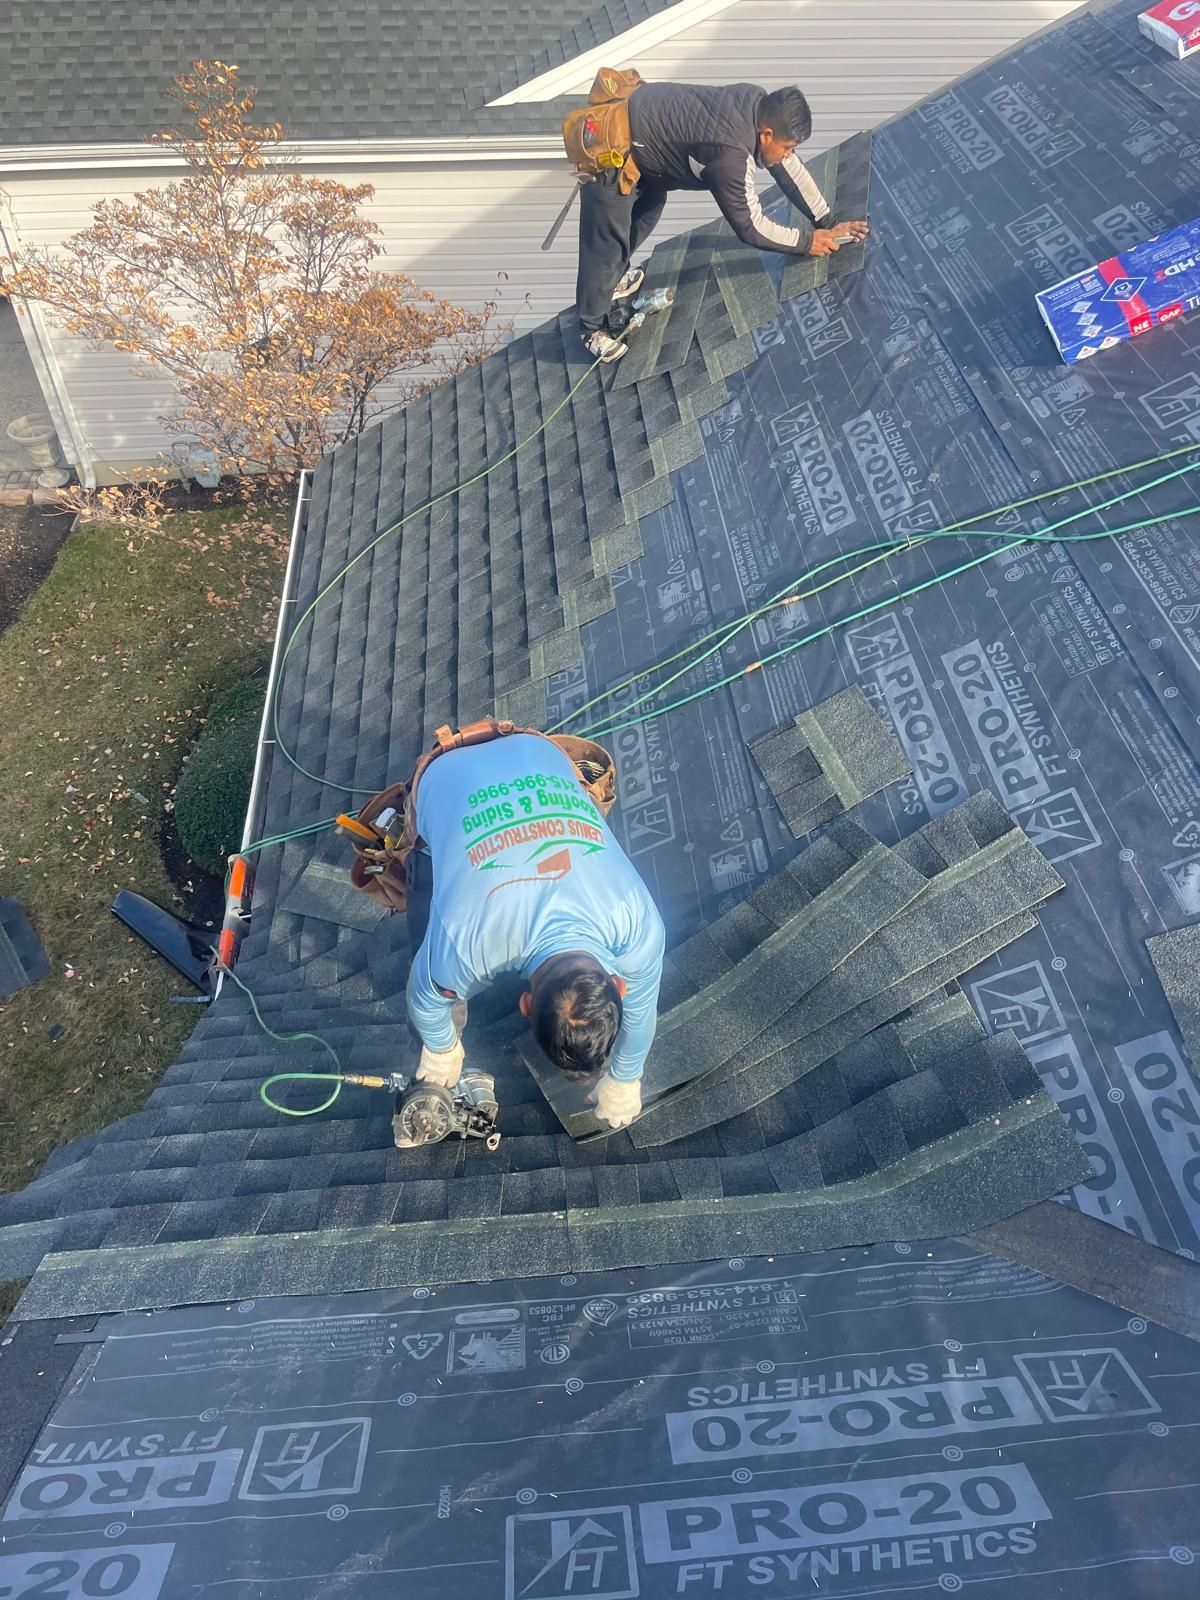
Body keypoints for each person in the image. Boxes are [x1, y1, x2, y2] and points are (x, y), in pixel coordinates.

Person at [404, 732, 665, 1131]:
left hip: (540, 752)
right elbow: (424, 997)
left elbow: (642, 1009)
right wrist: (441, 1050)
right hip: (441, 776)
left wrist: (626, 1077)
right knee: (428, 908)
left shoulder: (638, 923)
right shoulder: (467, 949)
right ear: (524, 1005)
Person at [576, 81, 869, 361]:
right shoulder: (730, 156)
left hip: (645, 148)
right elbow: (750, 226)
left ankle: (613, 280)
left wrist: (826, 221)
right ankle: (590, 329)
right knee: (606, 245)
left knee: (650, 205)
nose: (788, 154)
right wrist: (806, 243)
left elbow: (788, 169)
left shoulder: (757, 102)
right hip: (612, 152)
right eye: (787, 146)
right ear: (766, 134)